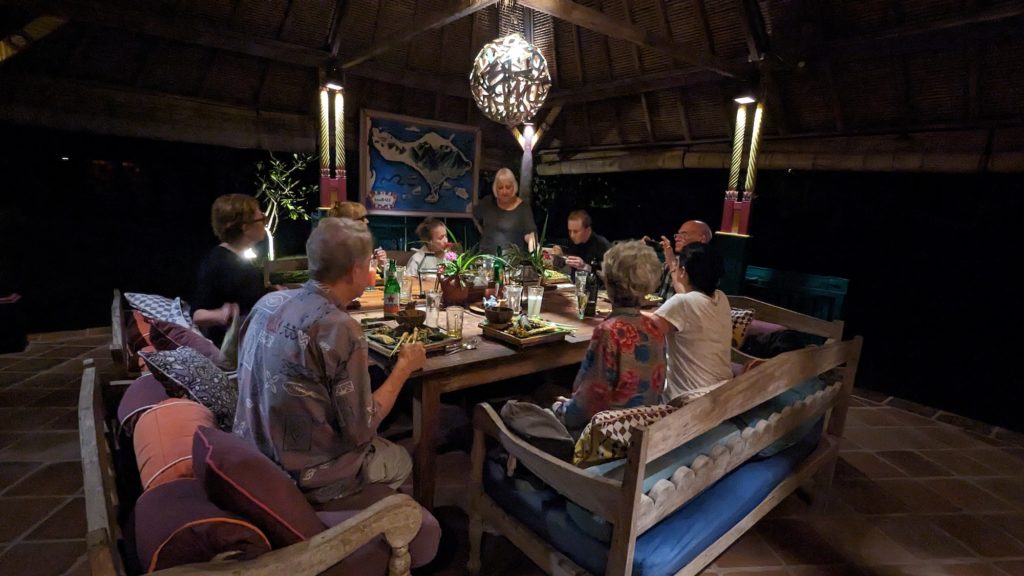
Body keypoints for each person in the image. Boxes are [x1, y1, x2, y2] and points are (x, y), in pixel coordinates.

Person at [234, 217, 427, 504]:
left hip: (253, 455)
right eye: (370, 263)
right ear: (354, 271)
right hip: (304, 478)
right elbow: (361, 429)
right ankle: (363, 519)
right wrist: (404, 368)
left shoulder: (265, 304)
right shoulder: (340, 328)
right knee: (401, 459)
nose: (373, 269)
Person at [551, 240, 667, 431]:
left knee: (525, 402)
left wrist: (558, 407)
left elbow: (587, 406)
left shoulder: (609, 331)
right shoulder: (654, 327)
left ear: (608, 282)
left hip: (606, 439)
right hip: (644, 431)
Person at [648, 242, 732, 405]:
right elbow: (688, 298)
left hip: (687, 402)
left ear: (684, 272)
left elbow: (645, 326)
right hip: (720, 396)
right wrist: (674, 265)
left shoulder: (683, 303)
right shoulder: (721, 298)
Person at [192, 194, 268, 345]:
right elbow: (197, 315)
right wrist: (221, 314)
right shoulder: (218, 263)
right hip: (235, 346)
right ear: (245, 228)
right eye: (262, 219)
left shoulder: (240, 258)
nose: (265, 224)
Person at [472, 167, 537, 254]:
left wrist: (532, 244)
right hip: (485, 258)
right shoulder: (487, 202)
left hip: (511, 261)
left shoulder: (523, 208)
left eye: (508, 187)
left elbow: (530, 233)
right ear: (495, 188)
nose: (504, 191)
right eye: (500, 187)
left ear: (514, 187)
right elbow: (475, 216)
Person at [652, 219, 713, 297]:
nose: (677, 239)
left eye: (684, 234)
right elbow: (648, 287)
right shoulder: (672, 260)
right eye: (677, 235)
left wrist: (671, 262)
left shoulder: (708, 266)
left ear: (702, 238)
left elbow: (690, 301)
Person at [551, 209, 611, 280]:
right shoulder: (572, 242)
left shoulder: (602, 245)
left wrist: (586, 267)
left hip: (598, 289)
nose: (572, 235)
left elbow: (611, 277)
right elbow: (561, 265)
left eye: (576, 231)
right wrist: (558, 257)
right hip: (576, 286)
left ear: (588, 230)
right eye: (570, 231)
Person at [327, 201, 388, 270]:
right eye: (362, 218)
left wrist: (381, 265)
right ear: (349, 223)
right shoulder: (337, 250)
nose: (367, 221)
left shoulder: (359, 243)